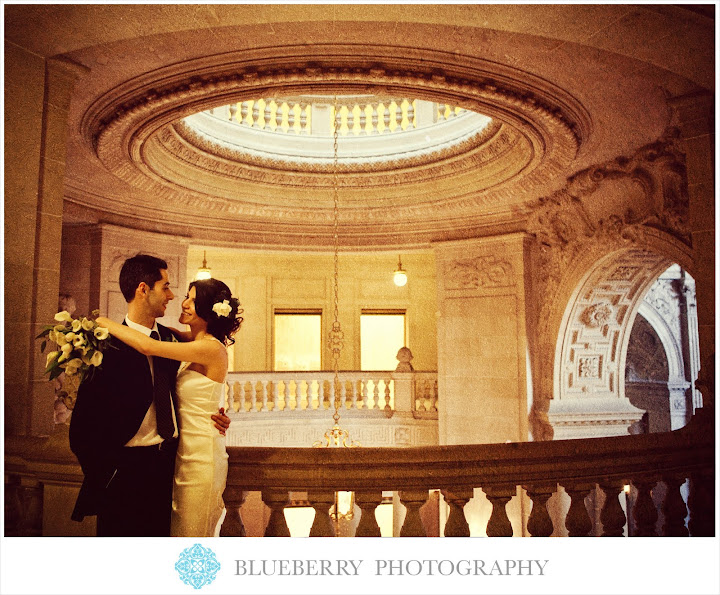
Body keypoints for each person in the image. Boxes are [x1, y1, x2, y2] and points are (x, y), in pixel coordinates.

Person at [69, 254, 231, 536]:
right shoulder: (103, 346)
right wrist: (106, 474)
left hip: (170, 465)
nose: (172, 296)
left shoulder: (169, 341)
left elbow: (152, 349)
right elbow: (83, 424)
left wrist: (217, 415)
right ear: (143, 289)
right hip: (122, 473)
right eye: (165, 286)